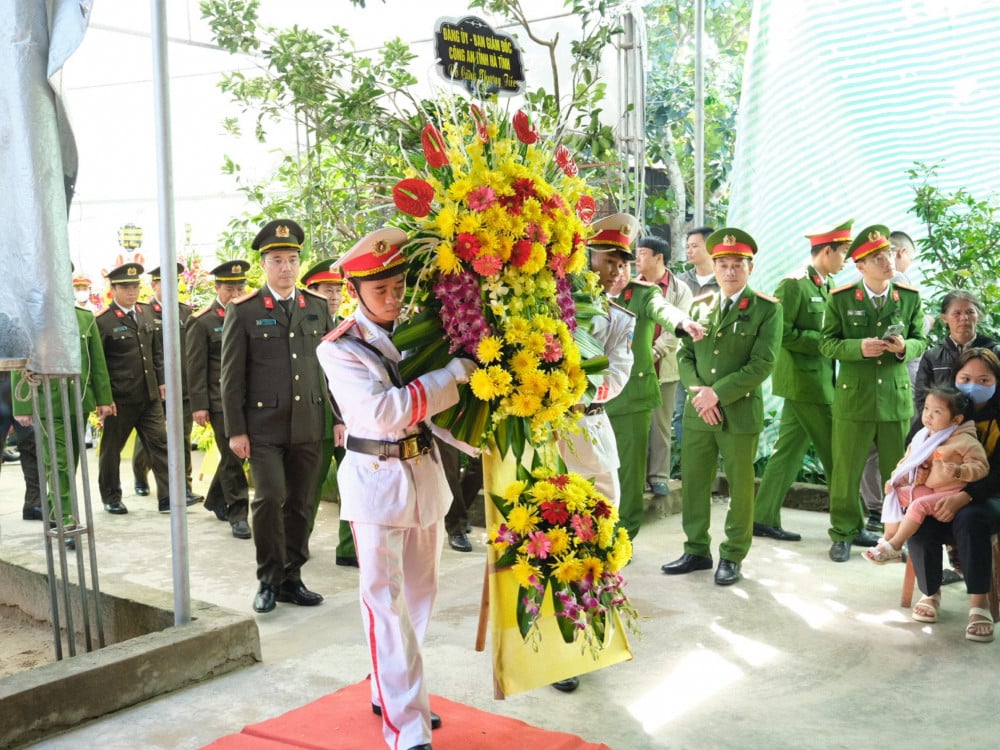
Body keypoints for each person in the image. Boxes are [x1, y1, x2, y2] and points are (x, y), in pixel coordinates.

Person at [316, 227, 477, 750]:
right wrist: (454, 375)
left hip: (424, 477)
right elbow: (384, 414)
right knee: (384, 600)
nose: (392, 298)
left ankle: (391, 688)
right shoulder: (339, 349)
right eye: (379, 289)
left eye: (398, 286)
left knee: (422, 594)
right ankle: (406, 726)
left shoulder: (416, 330)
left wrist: (482, 442)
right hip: (375, 482)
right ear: (354, 291)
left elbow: (432, 419)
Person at [220, 220, 332, 613]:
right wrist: (236, 430)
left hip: (309, 424)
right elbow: (231, 377)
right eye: (278, 260)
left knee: (301, 503)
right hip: (263, 429)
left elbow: (331, 370)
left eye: (293, 259)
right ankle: (268, 579)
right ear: (264, 265)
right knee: (269, 499)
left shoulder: (316, 308)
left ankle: (292, 576)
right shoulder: (246, 311)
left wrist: (338, 420)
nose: (286, 268)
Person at [661, 228, 780, 586]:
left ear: (750, 267)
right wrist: (700, 392)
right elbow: (684, 353)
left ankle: (732, 554)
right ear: (714, 267)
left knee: (740, 487)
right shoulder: (699, 306)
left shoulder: (766, 308)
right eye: (723, 264)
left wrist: (717, 394)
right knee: (695, 481)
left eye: (737, 265)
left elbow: (763, 363)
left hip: (738, 411)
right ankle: (696, 549)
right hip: (701, 411)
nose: (730, 271)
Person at [819, 225, 927, 562]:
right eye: (877, 258)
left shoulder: (908, 297)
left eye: (889, 254)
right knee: (846, 470)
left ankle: (895, 537)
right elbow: (826, 342)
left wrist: (903, 348)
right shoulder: (841, 298)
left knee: (897, 474)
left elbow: (921, 340)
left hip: (895, 398)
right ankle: (843, 532)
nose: (888, 261)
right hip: (855, 398)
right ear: (860, 266)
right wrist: (856, 347)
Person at [602, 214, 705, 542]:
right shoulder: (578, 294)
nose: (618, 272)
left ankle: (623, 535)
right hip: (585, 395)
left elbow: (665, 309)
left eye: (624, 265)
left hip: (631, 395)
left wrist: (682, 323)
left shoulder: (642, 295)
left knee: (629, 471)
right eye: (610, 263)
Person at [752, 220, 852, 542]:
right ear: (827, 251)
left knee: (788, 452)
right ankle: (851, 523)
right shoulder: (794, 284)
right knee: (836, 452)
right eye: (843, 252)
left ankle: (762, 516)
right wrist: (823, 341)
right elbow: (783, 333)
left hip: (816, 382)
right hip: (805, 383)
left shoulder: (824, 285)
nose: (846, 259)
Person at [906, 348, 1000, 643]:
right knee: (918, 516)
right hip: (939, 494)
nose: (974, 385)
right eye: (966, 378)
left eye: (985, 379)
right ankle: (930, 592)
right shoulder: (939, 411)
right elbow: (912, 453)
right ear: (954, 378)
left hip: (989, 497)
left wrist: (965, 496)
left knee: (971, 519)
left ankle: (978, 603)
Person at [13, 285, 114, 535]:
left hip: (78, 401)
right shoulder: (31, 319)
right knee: (59, 463)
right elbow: (21, 361)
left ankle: (51, 508)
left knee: (71, 460)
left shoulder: (84, 318)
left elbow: (97, 361)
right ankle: (66, 518)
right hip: (48, 402)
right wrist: (22, 405)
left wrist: (103, 398)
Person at [864, 386, 988, 563]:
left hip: (950, 493)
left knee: (918, 506)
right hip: (929, 489)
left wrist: (960, 471)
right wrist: (897, 479)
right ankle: (888, 540)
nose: (928, 415)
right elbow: (906, 462)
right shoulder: (922, 436)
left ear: (956, 419)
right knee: (894, 494)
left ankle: (896, 544)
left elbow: (981, 467)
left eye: (937, 411)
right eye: (927, 408)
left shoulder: (965, 440)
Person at [95, 262, 175, 514]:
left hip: (149, 395)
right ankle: (111, 496)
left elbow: (156, 352)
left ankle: (168, 496)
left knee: (161, 444)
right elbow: (99, 364)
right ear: (113, 289)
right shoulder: (103, 321)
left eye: (135, 287)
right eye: (126, 287)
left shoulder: (146, 312)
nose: (132, 292)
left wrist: (162, 381)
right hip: (120, 399)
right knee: (111, 450)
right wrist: (104, 398)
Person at [859, 229, 926, 531]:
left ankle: (879, 508)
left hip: (893, 371)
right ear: (902, 254)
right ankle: (883, 509)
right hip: (898, 373)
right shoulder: (899, 283)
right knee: (896, 442)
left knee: (883, 443)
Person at [187, 260, 252, 538]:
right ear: (217, 288)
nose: (236, 293)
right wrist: (199, 405)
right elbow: (195, 367)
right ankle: (239, 515)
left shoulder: (251, 314)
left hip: (251, 399)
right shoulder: (203, 321)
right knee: (232, 455)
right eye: (229, 288)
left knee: (232, 456)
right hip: (219, 401)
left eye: (240, 287)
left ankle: (215, 498)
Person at [300, 258, 357, 564]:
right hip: (317, 421)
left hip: (351, 421)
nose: (333, 296)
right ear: (311, 292)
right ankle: (297, 543)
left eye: (337, 290)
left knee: (354, 486)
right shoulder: (301, 329)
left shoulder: (350, 327)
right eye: (326, 290)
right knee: (308, 488)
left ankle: (350, 549)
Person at [132, 264, 203, 506]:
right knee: (152, 439)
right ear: (154, 285)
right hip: (155, 389)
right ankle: (140, 474)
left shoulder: (186, 312)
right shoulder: (144, 313)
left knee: (182, 437)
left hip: (183, 387)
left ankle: (184, 487)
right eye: (164, 284)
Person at [636, 235, 692, 497]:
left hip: (665, 367)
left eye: (643, 253)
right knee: (634, 423)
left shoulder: (680, 290)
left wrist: (654, 351)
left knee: (661, 423)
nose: (637, 259)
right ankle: (634, 475)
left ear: (659, 257)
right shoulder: (632, 286)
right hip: (634, 368)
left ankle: (659, 476)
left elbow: (677, 326)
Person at [913, 291, 997, 420]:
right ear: (944, 318)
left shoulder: (994, 352)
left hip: (988, 426)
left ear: (978, 316)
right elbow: (922, 397)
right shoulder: (933, 356)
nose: (964, 318)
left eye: (970, 312)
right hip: (944, 426)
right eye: (957, 313)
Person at [672, 227, 718, 457]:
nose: (689, 250)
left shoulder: (724, 280)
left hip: (714, 358)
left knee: (715, 409)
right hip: (685, 356)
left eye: (695, 245)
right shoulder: (680, 282)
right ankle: (689, 460)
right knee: (681, 411)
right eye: (687, 246)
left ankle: (715, 464)